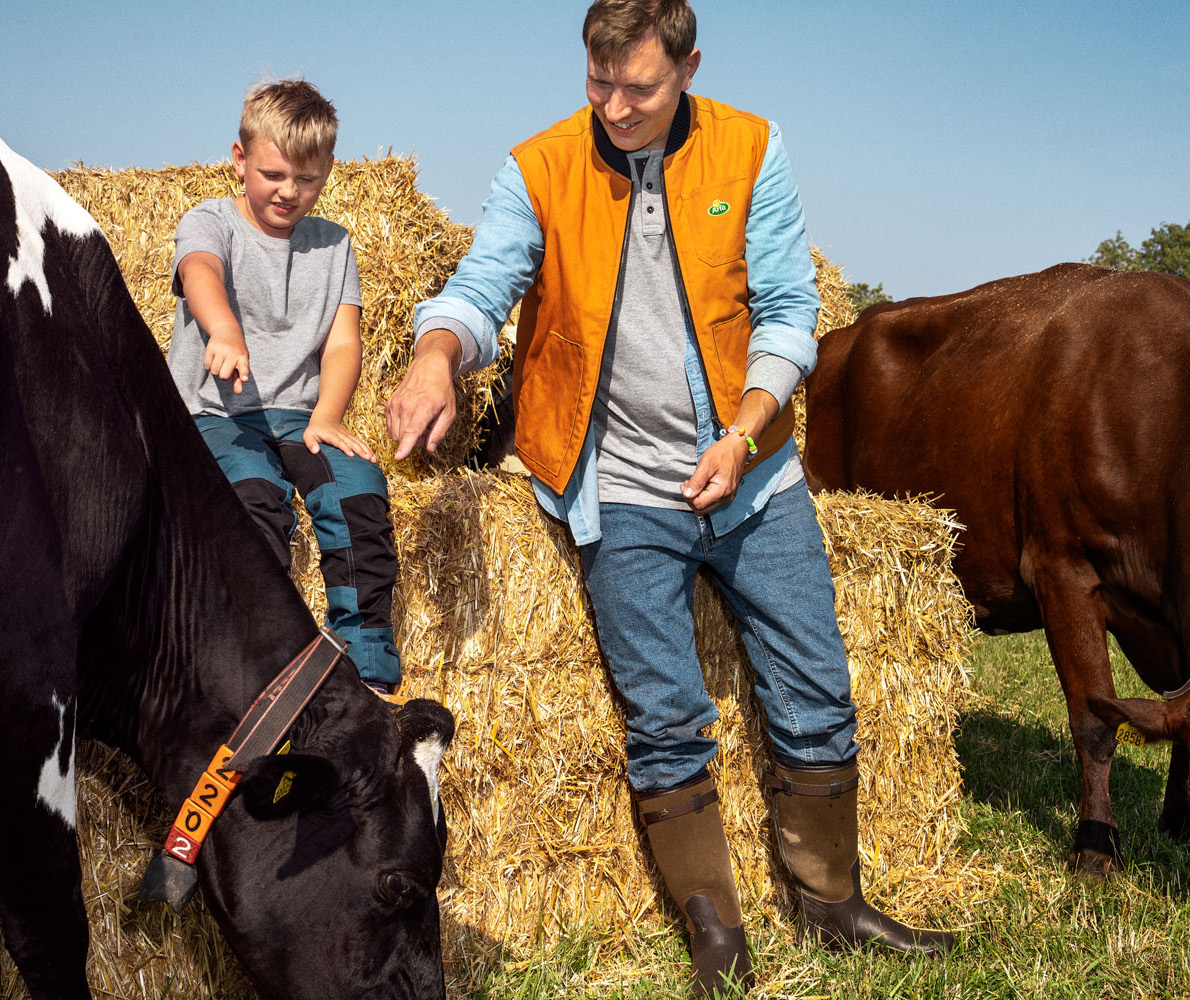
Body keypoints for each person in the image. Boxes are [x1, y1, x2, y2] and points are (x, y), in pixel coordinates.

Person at [385, 1, 955, 993]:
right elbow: (480, 290)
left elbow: (788, 312)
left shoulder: (750, 149)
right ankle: (716, 931)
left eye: (638, 88)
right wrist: (438, 354)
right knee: (664, 714)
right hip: (619, 491)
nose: (613, 106)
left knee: (816, 689)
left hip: (754, 478)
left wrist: (740, 435)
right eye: (597, 84)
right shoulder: (540, 167)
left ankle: (832, 904)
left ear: (690, 66)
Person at [167, 79, 400, 695]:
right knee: (254, 498)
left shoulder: (334, 244)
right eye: (273, 174)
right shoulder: (210, 220)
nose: (290, 192)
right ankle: (254, 656)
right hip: (219, 413)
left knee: (357, 488)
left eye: (309, 179)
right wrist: (223, 331)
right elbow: (200, 272)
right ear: (239, 159)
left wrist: (328, 413)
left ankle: (364, 659)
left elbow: (343, 342)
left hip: (300, 413)